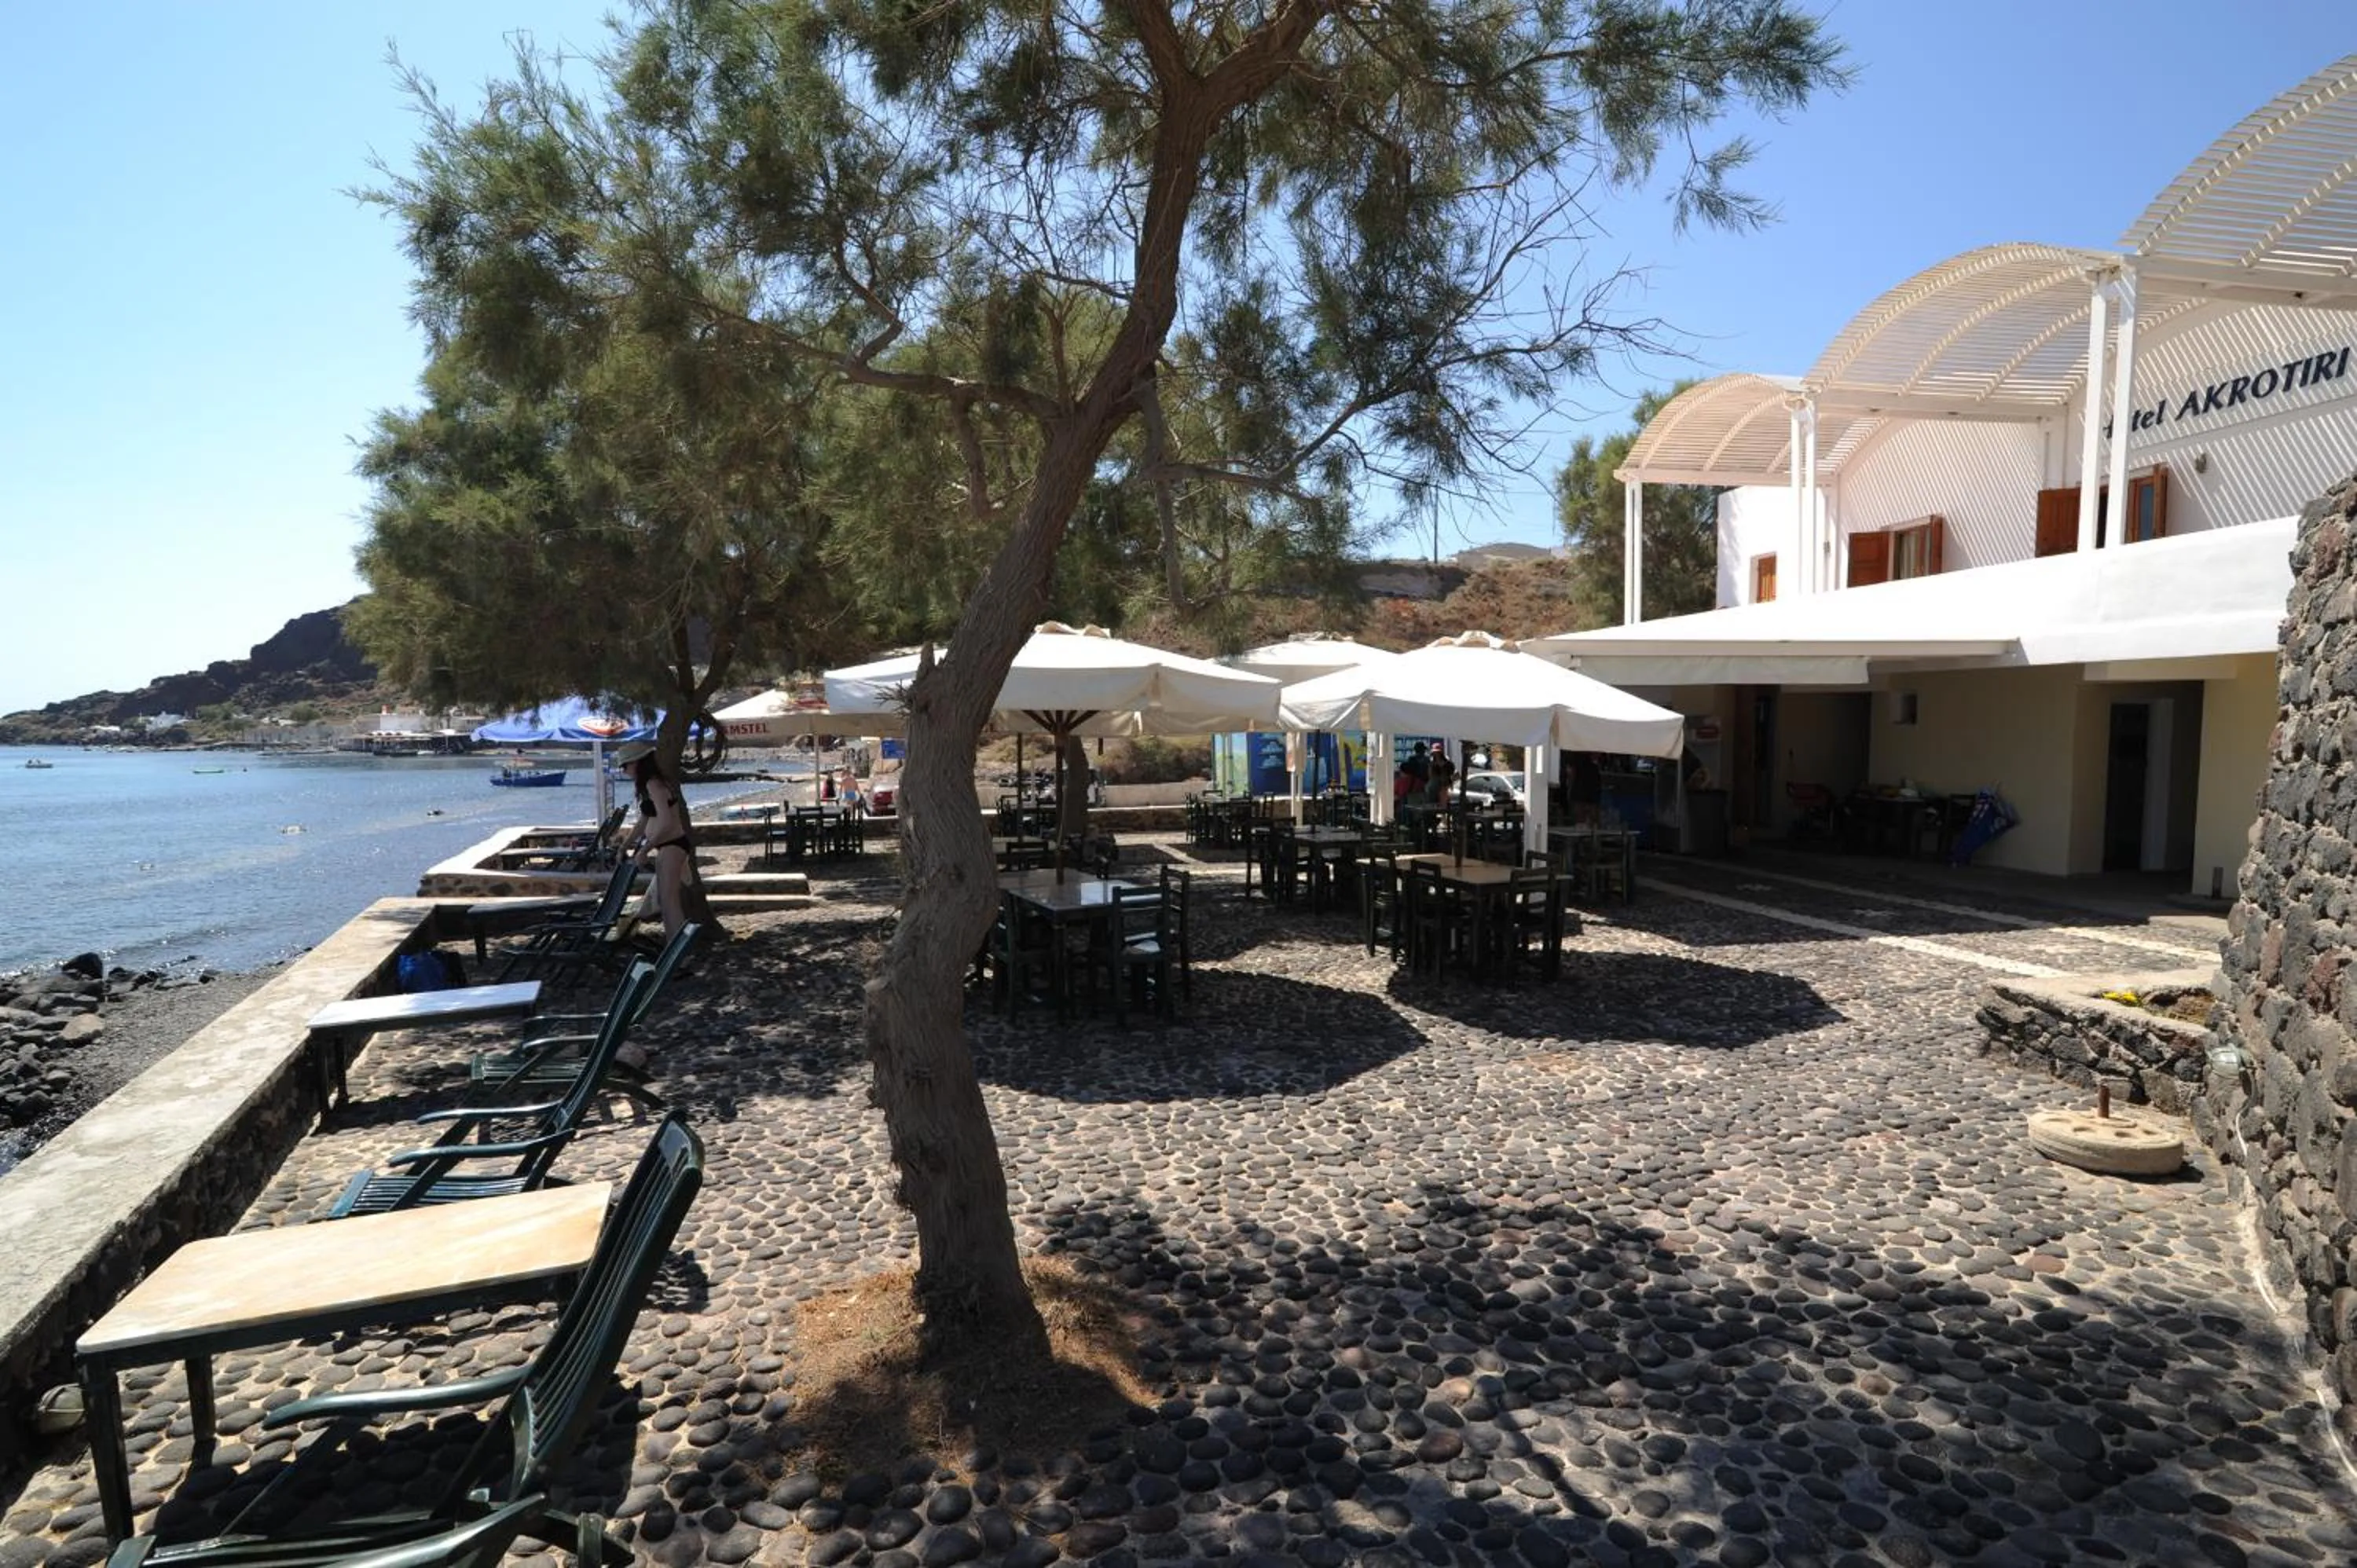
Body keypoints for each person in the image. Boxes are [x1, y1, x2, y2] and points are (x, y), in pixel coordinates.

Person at [616, 739, 698, 944]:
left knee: (669, 902)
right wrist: (625, 846)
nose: (624, 771)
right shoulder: (646, 787)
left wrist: (646, 849)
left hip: (673, 845)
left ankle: (677, 951)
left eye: (625, 765)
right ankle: (674, 948)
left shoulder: (654, 784)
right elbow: (643, 822)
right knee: (666, 900)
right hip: (666, 846)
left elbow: (667, 822)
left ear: (638, 762)